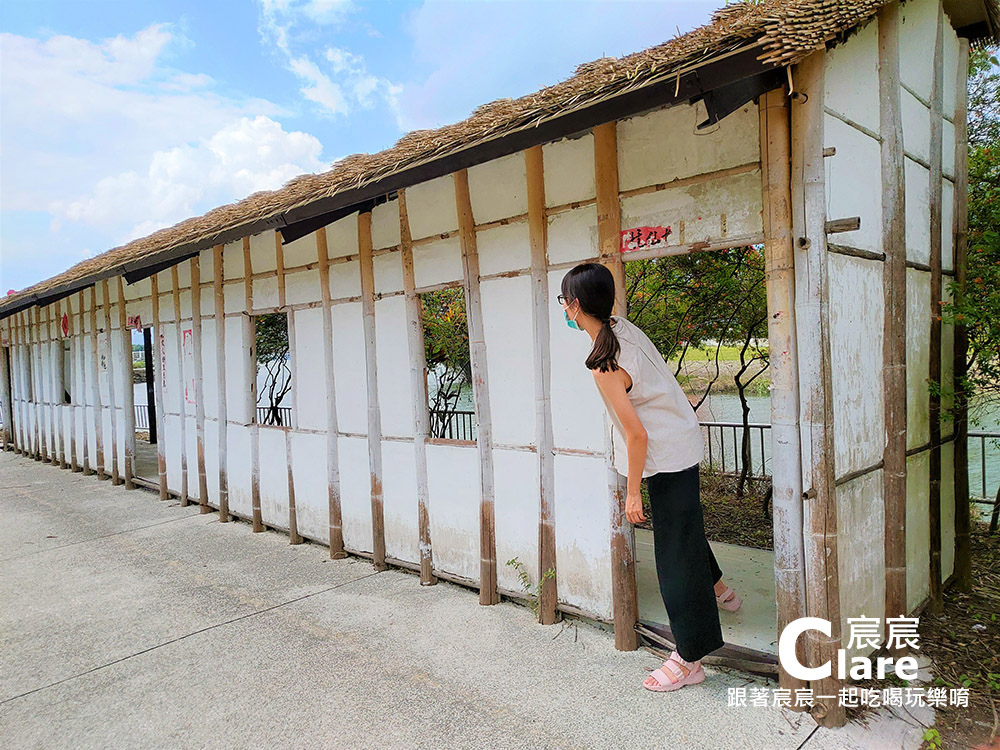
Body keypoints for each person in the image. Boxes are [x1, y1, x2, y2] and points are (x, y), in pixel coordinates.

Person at [559, 262, 742, 693]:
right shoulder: (621, 327)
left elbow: (635, 434)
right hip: (681, 440)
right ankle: (720, 589)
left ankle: (690, 657)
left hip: (665, 454)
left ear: (576, 306)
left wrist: (632, 491)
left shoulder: (604, 363)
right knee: (683, 528)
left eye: (564, 302)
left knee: (673, 557)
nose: (564, 309)